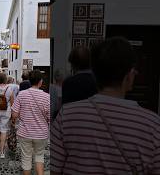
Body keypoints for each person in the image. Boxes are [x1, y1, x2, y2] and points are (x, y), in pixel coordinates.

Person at [51, 37, 160, 174]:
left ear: (95, 73)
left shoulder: (65, 116)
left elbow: (54, 169)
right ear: (129, 75)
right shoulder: (153, 126)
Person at [11, 70, 50, 175]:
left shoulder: (22, 94)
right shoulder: (47, 97)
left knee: (26, 158)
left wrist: (23, 115)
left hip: (25, 133)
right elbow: (50, 118)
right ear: (40, 82)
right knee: (39, 156)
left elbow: (14, 115)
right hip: (41, 134)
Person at [0, 73, 14, 158]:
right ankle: (2, 152)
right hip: (6, 111)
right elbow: (12, 102)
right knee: (4, 130)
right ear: (5, 79)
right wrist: (12, 113)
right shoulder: (9, 88)